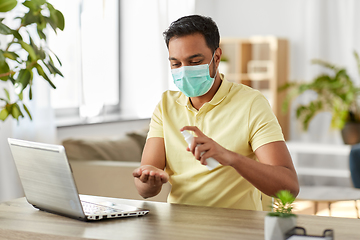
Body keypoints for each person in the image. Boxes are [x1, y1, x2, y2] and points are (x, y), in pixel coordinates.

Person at [133, 15, 299, 210]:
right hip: (179, 226)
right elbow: (145, 189)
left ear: (217, 57)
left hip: (235, 228)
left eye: (195, 62)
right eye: (176, 64)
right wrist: (149, 181)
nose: (184, 71)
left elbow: (289, 188)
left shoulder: (251, 103)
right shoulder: (166, 105)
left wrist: (231, 158)